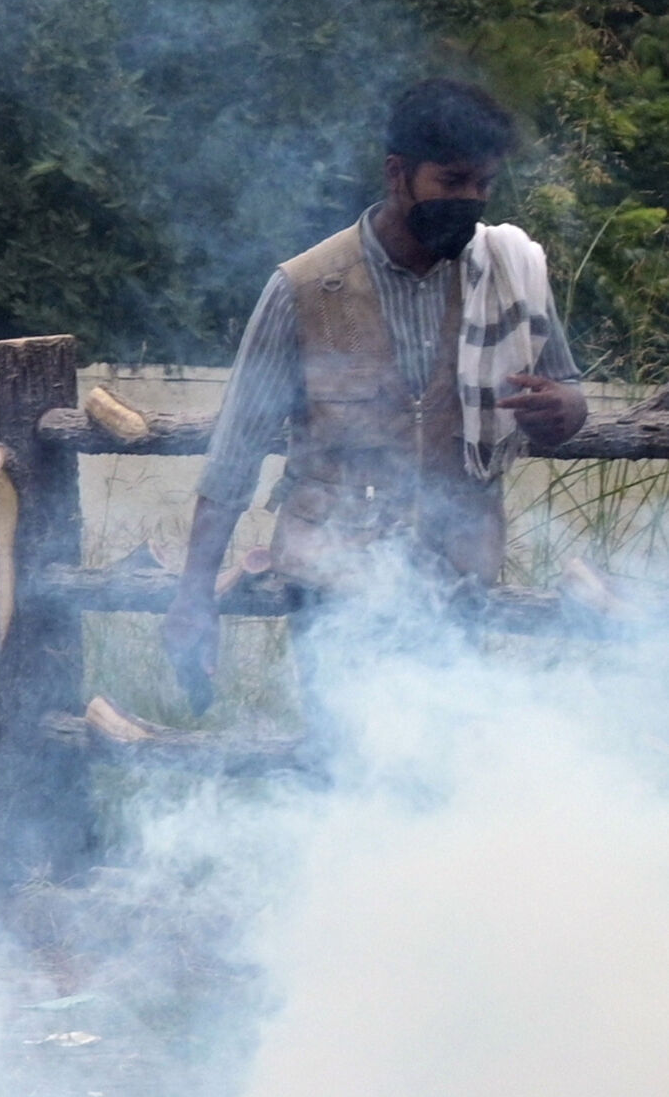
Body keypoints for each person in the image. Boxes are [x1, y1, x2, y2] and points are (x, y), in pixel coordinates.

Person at [165, 78, 589, 711]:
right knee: (345, 756)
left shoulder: (507, 272)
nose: (471, 200)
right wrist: (194, 594)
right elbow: (235, 453)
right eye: (452, 181)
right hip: (332, 581)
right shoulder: (304, 287)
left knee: (444, 758)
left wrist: (565, 409)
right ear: (398, 174)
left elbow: (570, 391)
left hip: (456, 578)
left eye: (483, 184)